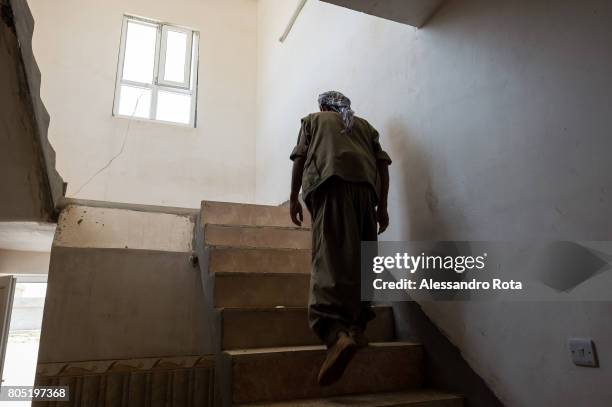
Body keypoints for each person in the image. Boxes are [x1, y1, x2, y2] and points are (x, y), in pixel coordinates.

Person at [289, 91, 392, 386]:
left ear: (323, 106)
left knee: (329, 259)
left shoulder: (313, 121)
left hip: (331, 186)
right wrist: (382, 207)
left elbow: (300, 158)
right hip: (365, 194)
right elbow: (383, 166)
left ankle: (335, 334)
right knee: (362, 261)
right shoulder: (365, 126)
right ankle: (357, 328)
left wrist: (293, 198)